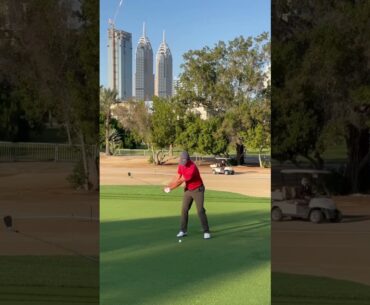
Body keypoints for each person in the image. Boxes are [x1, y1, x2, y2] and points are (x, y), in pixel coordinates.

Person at [164, 151, 211, 239]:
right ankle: (183, 230)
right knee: (184, 209)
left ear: (188, 159)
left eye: (185, 161)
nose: (183, 163)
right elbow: (177, 176)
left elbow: (180, 181)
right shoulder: (181, 164)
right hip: (188, 190)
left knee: (200, 210)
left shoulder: (192, 168)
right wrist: (169, 185)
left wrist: (170, 189)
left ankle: (206, 231)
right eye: (182, 161)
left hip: (198, 190)